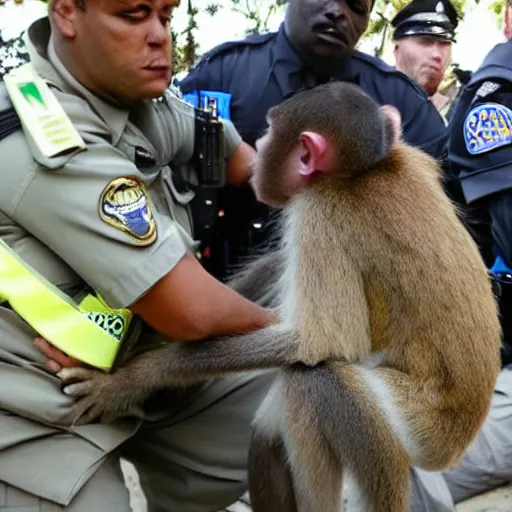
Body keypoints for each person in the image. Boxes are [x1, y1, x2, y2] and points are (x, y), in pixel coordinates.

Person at [0, 0, 277, 510]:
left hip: (147, 372)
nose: (158, 36)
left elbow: (248, 166)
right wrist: (306, 332)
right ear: (66, 13)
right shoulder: (40, 130)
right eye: (133, 15)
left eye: (167, 17)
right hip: (36, 401)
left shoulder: (139, 101)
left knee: (319, 404)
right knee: (312, 349)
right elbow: (193, 311)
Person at [179, 0, 450, 280]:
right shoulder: (224, 75)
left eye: (356, 5)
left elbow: (440, 214)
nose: (337, 12)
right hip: (224, 285)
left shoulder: (402, 102)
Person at [391, 0, 459, 122]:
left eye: (445, 43)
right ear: (397, 49)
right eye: (425, 41)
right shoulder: (369, 99)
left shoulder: (456, 116)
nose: (437, 55)